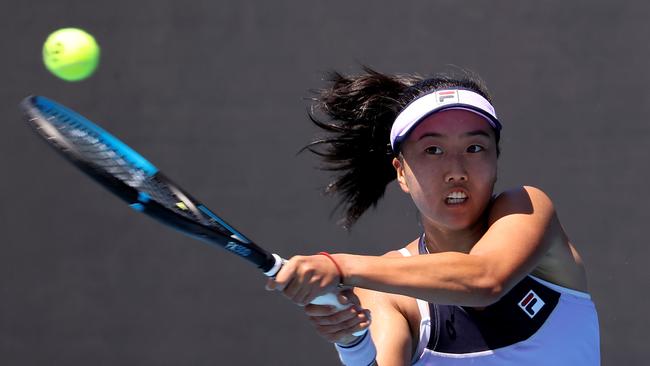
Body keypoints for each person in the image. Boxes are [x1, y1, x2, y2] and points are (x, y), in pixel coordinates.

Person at [266, 67, 600, 365]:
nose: (456, 171)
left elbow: (485, 279)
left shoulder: (529, 207)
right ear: (400, 172)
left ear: (495, 160)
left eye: (474, 148)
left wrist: (340, 267)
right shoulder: (388, 297)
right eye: (433, 151)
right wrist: (353, 345)